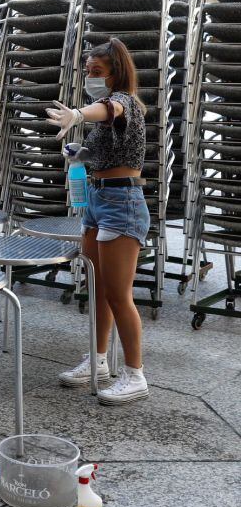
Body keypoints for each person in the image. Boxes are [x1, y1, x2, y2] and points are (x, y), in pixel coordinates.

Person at [46, 37, 151, 405]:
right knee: (98, 289)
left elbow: (110, 109)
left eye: (97, 72)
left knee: (119, 295)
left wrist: (77, 114)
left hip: (123, 202)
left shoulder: (125, 103)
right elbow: (107, 146)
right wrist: (81, 152)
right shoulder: (108, 111)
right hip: (98, 199)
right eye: (88, 71)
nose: (91, 77)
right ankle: (99, 359)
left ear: (115, 74)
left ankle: (135, 374)